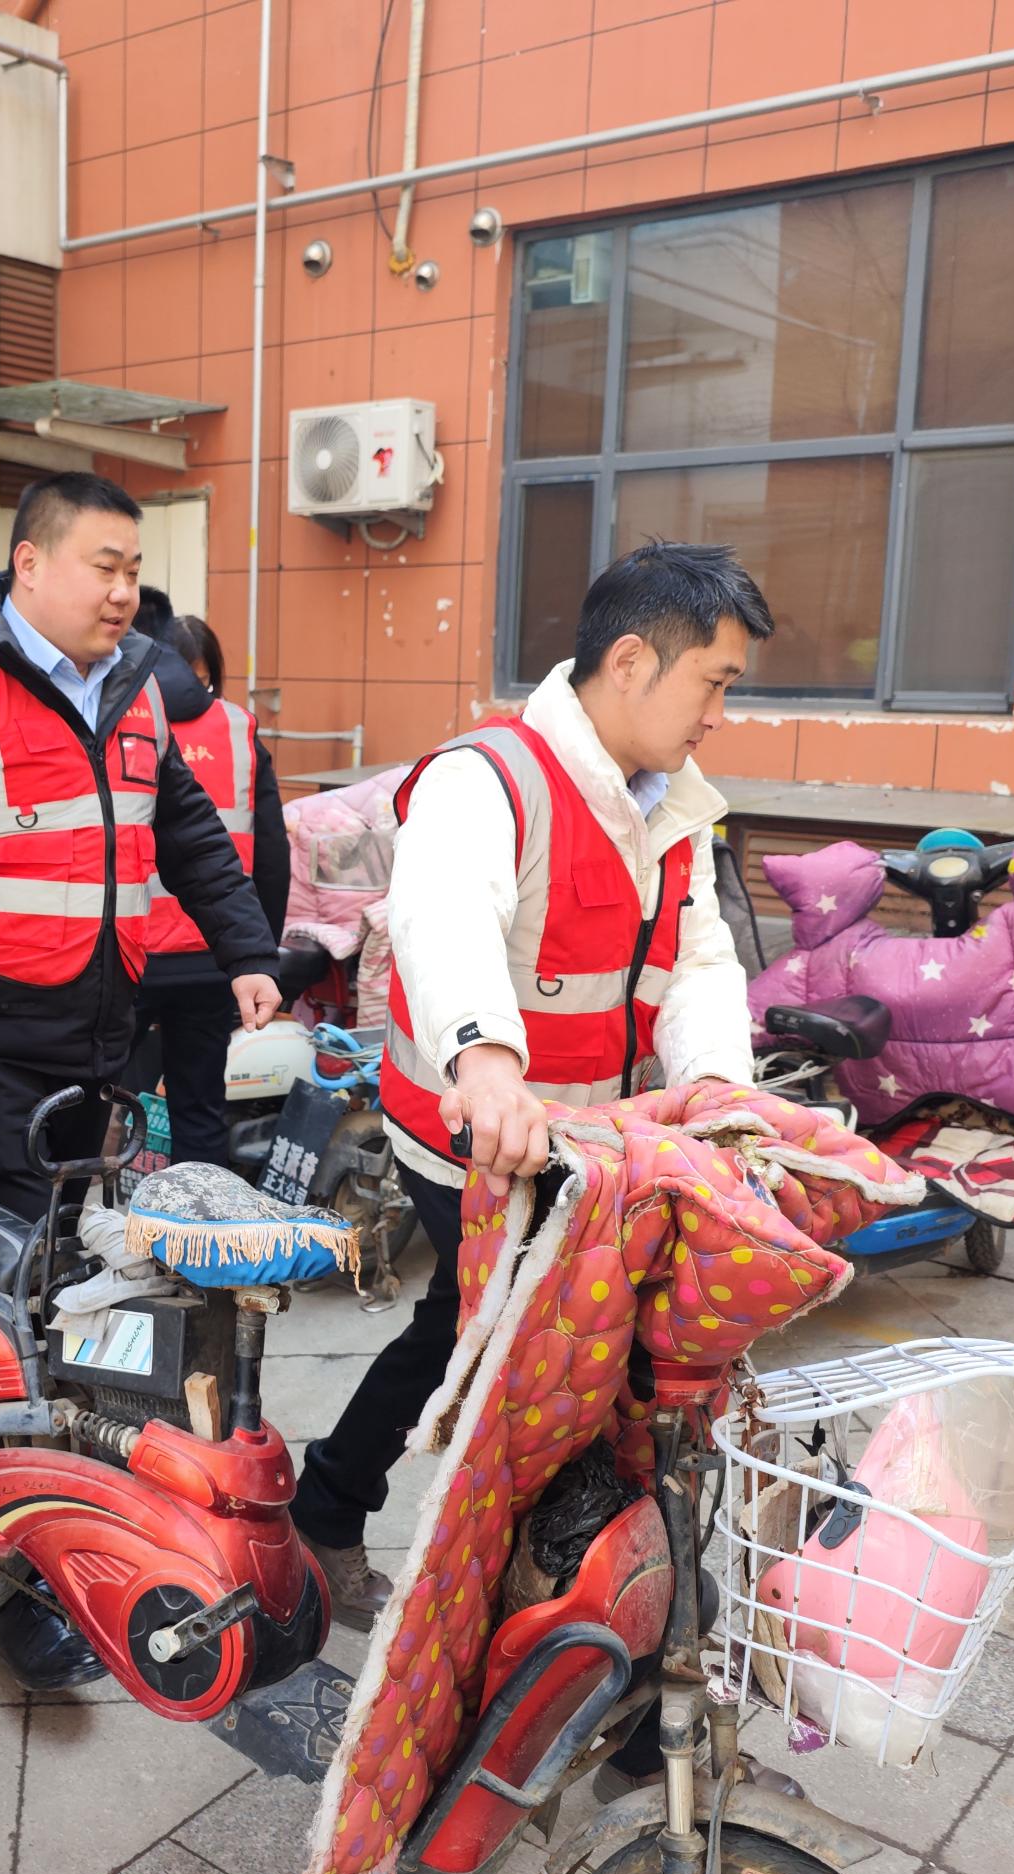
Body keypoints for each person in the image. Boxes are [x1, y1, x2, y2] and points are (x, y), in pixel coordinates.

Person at [0, 471, 282, 1692]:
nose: (123, 590)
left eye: (134, 568)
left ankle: (61, 1532)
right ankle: (27, 1585)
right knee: (12, 1325)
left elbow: (186, 835)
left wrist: (247, 950)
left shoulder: (137, 689)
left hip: (100, 1049)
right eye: (103, 564)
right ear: (28, 564)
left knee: (79, 1306)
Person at [287, 540, 771, 1629]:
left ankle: (527, 1558)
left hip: (589, 1141)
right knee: (505, 1337)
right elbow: (444, 914)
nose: (719, 714)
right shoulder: (489, 776)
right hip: (468, 1134)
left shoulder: (675, 806)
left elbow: (698, 960)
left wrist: (718, 1091)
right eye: (714, 683)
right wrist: (485, 1059)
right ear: (632, 661)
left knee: (498, 1333)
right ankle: (464, 1556)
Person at [131, 610, 288, 1168]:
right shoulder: (238, 728)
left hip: (129, 953)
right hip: (214, 955)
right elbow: (272, 855)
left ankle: (90, 1216)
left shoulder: (120, 718)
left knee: (100, 1104)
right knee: (199, 1109)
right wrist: (259, 954)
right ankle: (200, 1220)